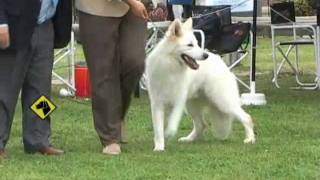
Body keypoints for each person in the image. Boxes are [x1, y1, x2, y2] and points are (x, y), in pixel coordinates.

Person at [0, 0, 72, 157]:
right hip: (14, 25)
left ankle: (39, 139)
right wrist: (1, 22)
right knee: (5, 91)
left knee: (42, 92)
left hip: (46, 25)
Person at [76, 0, 148, 155]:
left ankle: (116, 116)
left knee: (134, 62)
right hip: (97, 9)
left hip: (133, 8)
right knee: (103, 71)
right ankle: (110, 137)